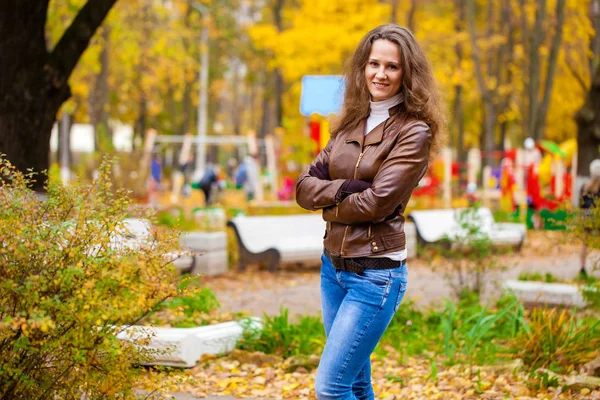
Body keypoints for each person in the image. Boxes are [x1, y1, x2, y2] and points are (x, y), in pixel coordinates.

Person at [295, 24, 445, 399]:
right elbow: (302, 187)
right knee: (357, 384)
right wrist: (345, 189)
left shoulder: (414, 131)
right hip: (334, 268)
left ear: (406, 73)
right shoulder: (350, 123)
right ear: (363, 67)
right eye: (374, 63)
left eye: (392, 67)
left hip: (375, 276)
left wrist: (327, 204)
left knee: (331, 388)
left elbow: (378, 202)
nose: (381, 74)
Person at [579, 159, 600, 277]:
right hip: (597, 218)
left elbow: (581, 205)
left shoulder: (584, 187)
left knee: (584, 243)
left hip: (586, 217)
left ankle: (582, 268)